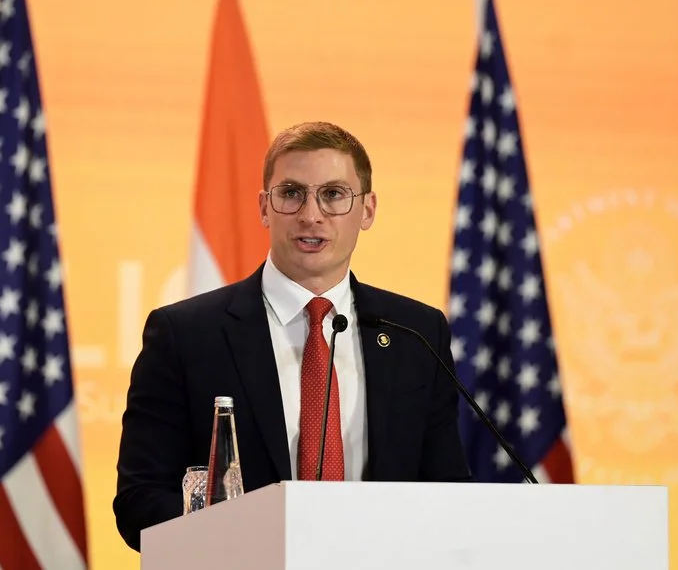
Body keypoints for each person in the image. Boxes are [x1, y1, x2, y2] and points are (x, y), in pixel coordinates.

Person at [113, 121, 472, 552]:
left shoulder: (417, 333)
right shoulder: (185, 335)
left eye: (333, 194)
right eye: (291, 193)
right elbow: (139, 502)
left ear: (368, 210)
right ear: (264, 208)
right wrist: (239, 537)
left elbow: (448, 492)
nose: (311, 215)